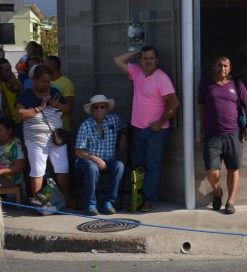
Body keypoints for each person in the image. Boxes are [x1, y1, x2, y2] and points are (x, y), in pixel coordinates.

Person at [114, 46, 180, 211]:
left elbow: (174, 102)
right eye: (145, 58)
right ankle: (138, 199)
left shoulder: (162, 78)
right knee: (139, 165)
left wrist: (160, 122)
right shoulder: (136, 72)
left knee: (152, 165)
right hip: (138, 129)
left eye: (151, 58)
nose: (148, 61)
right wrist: (136, 52)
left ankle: (149, 200)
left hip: (156, 131)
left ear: (157, 60)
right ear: (140, 60)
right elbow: (117, 60)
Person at [197, 56, 247, 215]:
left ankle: (230, 201)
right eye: (220, 65)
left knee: (233, 168)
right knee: (211, 171)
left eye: (226, 66)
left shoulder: (236, 83)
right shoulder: (206, 83)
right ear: (214, 66)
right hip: (212, 134)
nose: (223, 69)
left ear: (230, 67)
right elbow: (202, 107)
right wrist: (203, 129)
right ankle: (217, 192)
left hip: (233, 133)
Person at [16, 64, 71, 213]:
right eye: (43, 81)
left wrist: (58, 104)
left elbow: (68, 109)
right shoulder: (26, 95)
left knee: (62, 168)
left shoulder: (55, 92)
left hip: (56, 137)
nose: (46, 84)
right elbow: (21, 114)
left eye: (48, 81)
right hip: (35, 138)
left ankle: (65, 200)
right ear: (34, 80)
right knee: (38, 170)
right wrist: (40, 107)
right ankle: (38, 203)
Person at [74, 94, 127, 216]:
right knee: (92, 168)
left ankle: (108, 202)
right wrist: (95, 159)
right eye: (96, 107)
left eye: (102, 107)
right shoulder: (86, 125)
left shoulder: (114, 119)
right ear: (92, 110)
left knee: (119, 165)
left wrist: (123, 136)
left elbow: (125, 125)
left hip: (108, 160)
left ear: (107, 109)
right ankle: (90, 204)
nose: (99, 109)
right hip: (87, 159)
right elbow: (79, 151)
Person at [0, 116, 25, 201]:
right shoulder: (1, 145)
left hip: (11, 179)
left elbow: (18, 166)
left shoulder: (15, 145)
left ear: (9, 131)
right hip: (0, 176)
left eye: (0, 130)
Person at [0, 58, 24, 140]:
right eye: (6, 70)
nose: (10, 72)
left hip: (18, 123)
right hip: (2, 126)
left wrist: (18, 87)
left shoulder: (16, 83)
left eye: (10, 68)